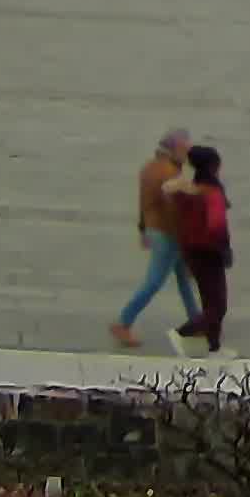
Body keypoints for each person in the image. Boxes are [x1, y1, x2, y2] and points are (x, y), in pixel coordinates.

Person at [109, 127, 198, 348]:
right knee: (154, 282)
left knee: (183, 279)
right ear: (172, 150)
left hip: (154, 229)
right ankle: (124, 322)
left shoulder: (149, 168)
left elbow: (143, 204)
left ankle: (197, 321)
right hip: (168, 234)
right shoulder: (169, 174)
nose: (187, 156)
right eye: (184, 150)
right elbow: (174, 211)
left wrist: (142, 230)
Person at [167, 144, 233, 353]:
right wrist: (225, 249)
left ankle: (214, 346)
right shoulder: (212, 192)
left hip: (191, 251)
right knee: (218, 305)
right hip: (210, 252)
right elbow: (216, 225)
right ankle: (182, 333)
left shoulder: (189, 190)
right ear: (213, 166)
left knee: (208, 300)